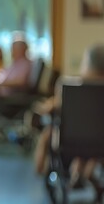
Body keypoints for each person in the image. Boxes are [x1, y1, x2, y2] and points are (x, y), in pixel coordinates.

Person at [34, 44, 104, 187]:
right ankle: (84, 172)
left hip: (73, 143)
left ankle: (66, 172)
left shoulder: (72, 89)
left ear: (87, 64)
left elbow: (47, 109)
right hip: (100, 142)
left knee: (54, 132)